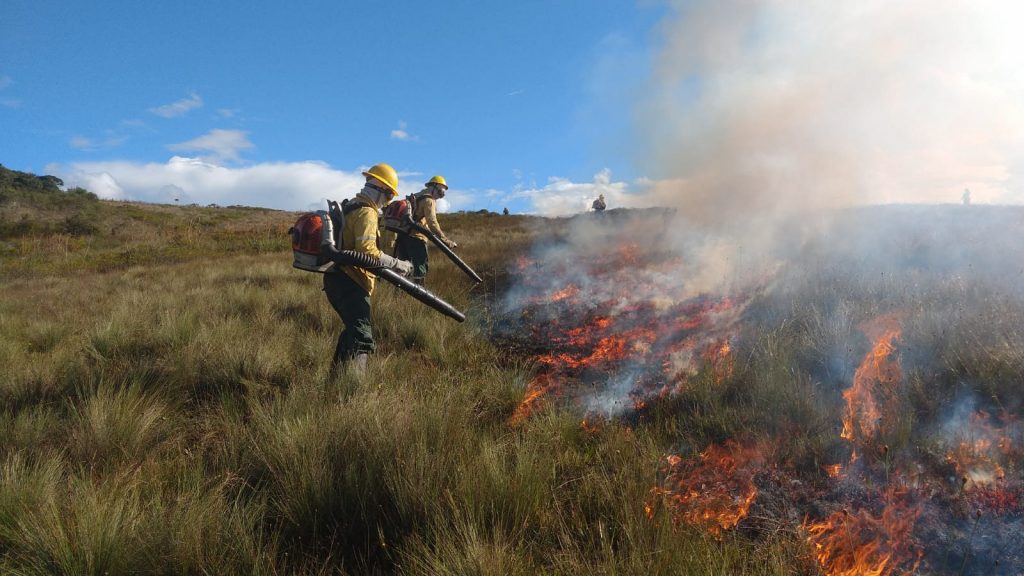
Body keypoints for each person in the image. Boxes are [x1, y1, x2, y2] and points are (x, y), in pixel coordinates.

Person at [324, 163, 412, 375]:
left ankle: (335, 381)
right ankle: (354, 391)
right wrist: (399, 265)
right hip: (350, 282)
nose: (388, 201)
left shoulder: (353, 205)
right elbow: (367, 252)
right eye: (390, 195)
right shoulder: (367, 212)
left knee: (352, 332)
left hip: (337, 279)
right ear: (382, 189)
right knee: (362, 338)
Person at [394, 175, 457, 285]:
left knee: (403, 268)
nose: (443, 193)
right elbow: (432, 222)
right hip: (416, 239)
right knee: (420, 268)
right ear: (434, 186)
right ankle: (418, 296)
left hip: (402, 237)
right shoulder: (429, 200)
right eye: (442, 189)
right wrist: (445, 240)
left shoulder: (416, 197)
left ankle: (400, 296)